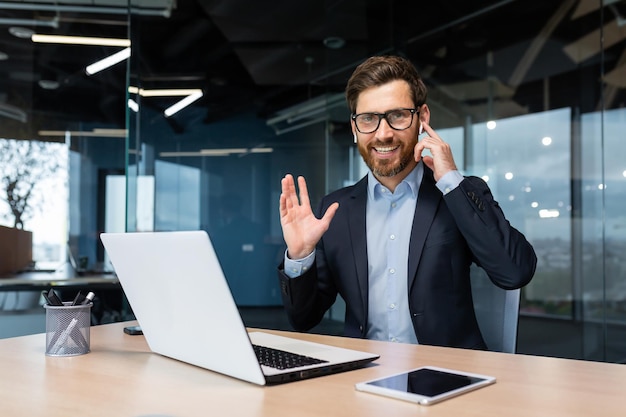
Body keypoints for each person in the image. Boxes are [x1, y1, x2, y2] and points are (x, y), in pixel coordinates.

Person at [277, 55, 537, 349]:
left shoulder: (458, 195)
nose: (383, 133)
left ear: (422, 118)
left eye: (398, 115)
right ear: (354, 128)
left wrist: (451, 179)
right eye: (368, 119)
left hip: (447, 379)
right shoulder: (334, 211)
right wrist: (299, 258)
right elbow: (303, 319)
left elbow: (515, 272)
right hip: (361, 378)